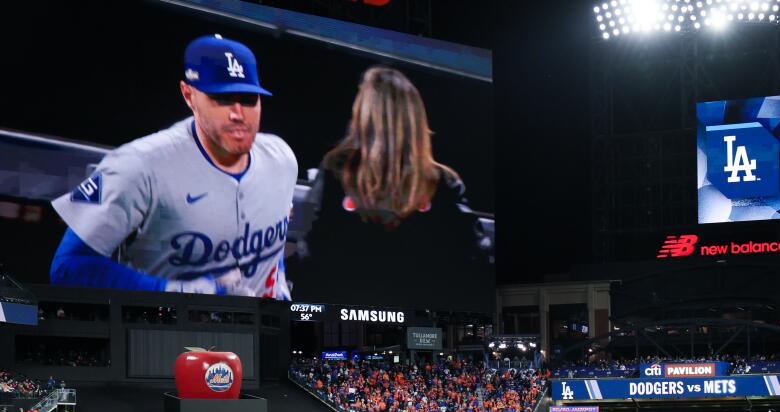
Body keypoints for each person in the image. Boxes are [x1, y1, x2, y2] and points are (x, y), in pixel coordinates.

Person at [49, 35, 295, 298]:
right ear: (189, 95)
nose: (238, 113)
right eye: (221, 98)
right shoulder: (140, 164)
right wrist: (170, 291)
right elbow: (68, 267)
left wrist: (277, 277)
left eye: (248, 98)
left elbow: (271, 240)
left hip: (256, 335)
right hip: (163, 333)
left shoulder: (281, 159)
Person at [298, 66, 487, 302]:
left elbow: (310, 248)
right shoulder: (444, 182)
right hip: (418, 311)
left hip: (346, 305)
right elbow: (474, 259)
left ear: (365, 112)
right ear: (415, 119)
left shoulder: (336, 169)